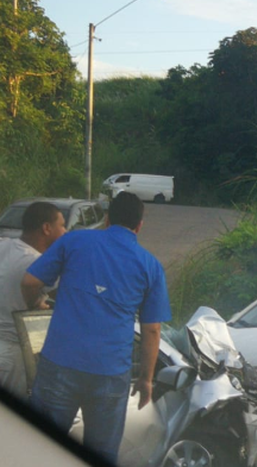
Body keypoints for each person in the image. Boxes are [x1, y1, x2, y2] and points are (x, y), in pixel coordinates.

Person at [21, 192, 171, 465]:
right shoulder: (151, 266)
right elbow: (152, 330)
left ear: (107, 219)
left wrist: (38, 303)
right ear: (139, 225)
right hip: (110, 373)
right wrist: (146, 379)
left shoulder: (74, 240)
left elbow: (30, 281)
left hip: (60, 363)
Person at [0, 202, 66, 400]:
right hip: (13, 353)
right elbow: (66, 299)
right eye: (62, 226)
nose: (65, 232)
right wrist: (37, 304)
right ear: (46, 228)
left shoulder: (4, 245)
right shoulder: (39, 264)